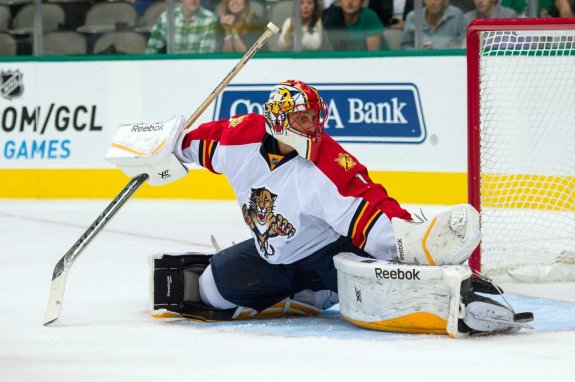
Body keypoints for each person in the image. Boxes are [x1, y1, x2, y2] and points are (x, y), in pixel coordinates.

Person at [111, 79, 531, 336]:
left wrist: (409, 238)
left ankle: (445, 290)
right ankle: (301, 295)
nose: (315, 126)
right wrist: (161, 149)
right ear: (277, 120)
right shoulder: (238, 139)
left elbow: (369, 206)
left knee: (380, 282)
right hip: (271, 255)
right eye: (304, 119)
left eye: (316, 117)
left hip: (330, 254)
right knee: (209, 293)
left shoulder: (327, 162)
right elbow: (191, 143)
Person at [145, 0, 218, 54]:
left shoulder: (209, 19)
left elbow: (205, 56)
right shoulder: (166, 18)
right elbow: (152, 50)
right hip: (170, 68)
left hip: (198, 69)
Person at [401, 0, 466, 50]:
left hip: (449, 61)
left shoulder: (456, 15)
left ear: (446, 1)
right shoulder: (413, 17)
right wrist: (419, 53)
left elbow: (463, 44)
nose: (433, 2)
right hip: (419, 62)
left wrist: (439, 50)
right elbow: (405, 46)